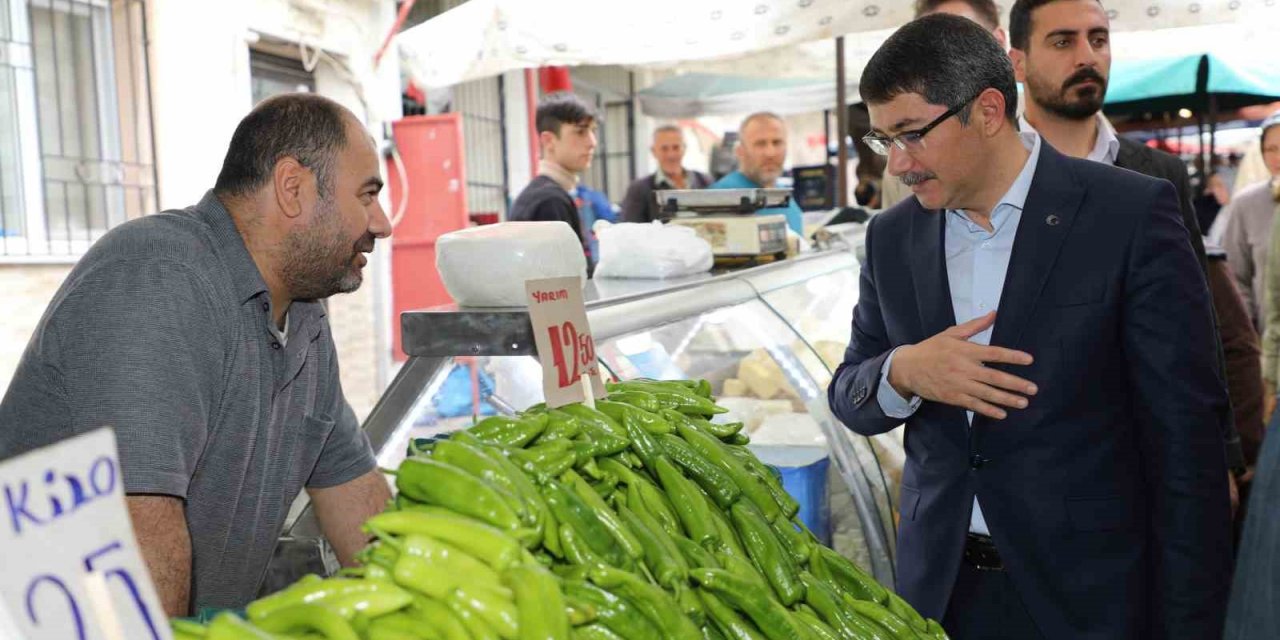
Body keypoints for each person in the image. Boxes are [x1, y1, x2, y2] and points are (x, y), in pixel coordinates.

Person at [828, 14, 1232, 640]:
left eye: (911, 134)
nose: (899, 164)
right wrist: (903, 371)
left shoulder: (1126, 213)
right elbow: (850, 393)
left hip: (1091, 598)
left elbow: (1187, 443)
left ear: (988, 111)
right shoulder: (891, 236)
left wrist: (1189, 620)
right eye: (884, 141)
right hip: (941, 594)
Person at [0, 94, 394, 615]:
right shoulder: (158, 276)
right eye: (367, 194)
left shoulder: (303, 317)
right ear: (293, 188)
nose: (383, 222)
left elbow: (354, 495)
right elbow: (137, 543)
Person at [1009, 0, 1250, 501]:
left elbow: (1195, 321)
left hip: (1146, 458)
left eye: (1098, 39)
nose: (1087, 55)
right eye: (1062, 41)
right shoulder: (996, 172)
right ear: (1018, 62)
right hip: (1029, 465)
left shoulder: (1158, 174)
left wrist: (1221, 451)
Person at [880, 0, 1008, 210]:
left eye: (961, 45)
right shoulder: (904, 172)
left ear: (999, 43)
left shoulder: (1049, 145)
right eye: (929, 54)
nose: (946, 65)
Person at [509, 91, 598, 261]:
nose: (592, 142)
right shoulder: (550, 201)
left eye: (593, 131)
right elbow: (563, 281)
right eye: (580, 132)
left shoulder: (546, 194)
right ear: (548, 140)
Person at [1219, 112, 1280, 334]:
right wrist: (1249, 331)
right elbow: (1235, 277)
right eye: (1270, 149)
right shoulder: (1247, 204)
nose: (1277, 157)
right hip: (1270, 342)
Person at [709, 112, 805, 235]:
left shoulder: (782, 196)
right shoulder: (721, 197)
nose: (770, 153)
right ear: (740, 151)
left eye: (777, 142)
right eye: (760, 144)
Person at [620, 125, 713, 223]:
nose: (671, 155)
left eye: (676, 147)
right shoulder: (639, 189)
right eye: (664, 148)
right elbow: (630, 229)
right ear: (653, 151)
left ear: (684, 148)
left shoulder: (705, 181)